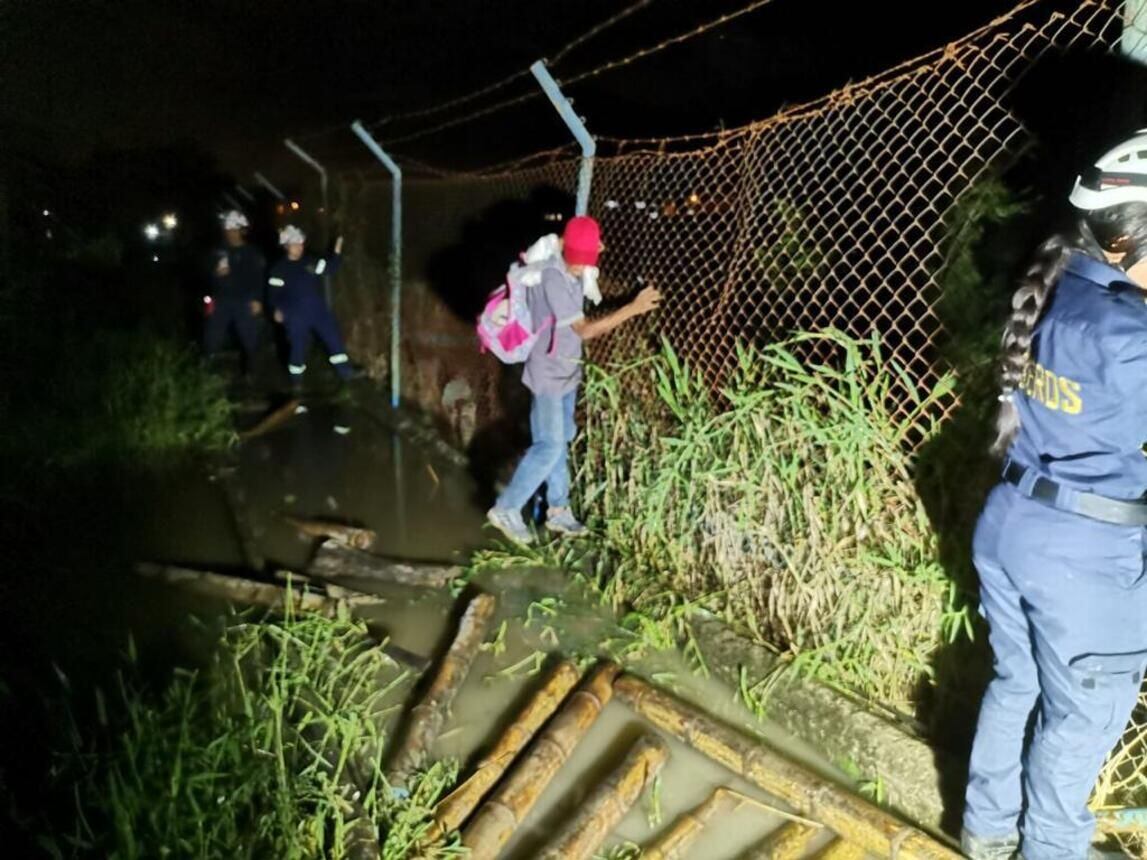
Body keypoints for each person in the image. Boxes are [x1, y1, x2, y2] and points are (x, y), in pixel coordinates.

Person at [962, 131, 1147, 860]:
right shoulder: (1131, 334)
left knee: (1016, 683)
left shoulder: (1056, 286)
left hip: (1011, 523)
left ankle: (986, 832)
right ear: (1127, 238)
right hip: (1082, 558)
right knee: (1080, 722)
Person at [486, 215, 661, 543]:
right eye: (578, 261)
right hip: (548, 373)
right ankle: (506, 508)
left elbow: (580, 246)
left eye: (587, 261)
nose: (582, 268)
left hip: (567, 370)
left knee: (560, 440)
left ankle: (559, 510)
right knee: (549, 445)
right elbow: (585, 330)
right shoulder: (553, 277)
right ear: (566, 251)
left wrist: (590, 247)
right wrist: (633, 308)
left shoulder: (570, 263)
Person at [266, 225, 353, 394]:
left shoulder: (310, 262)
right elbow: (273, 295)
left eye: (301, 244)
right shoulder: (279, 269)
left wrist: (337, 252)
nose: (299, 247)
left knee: (334, 340)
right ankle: (296, 382)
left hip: (318, 312)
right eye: (295, 244)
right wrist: (276, 309)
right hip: (295, 315)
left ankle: (346, 374)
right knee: (298, 347)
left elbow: (331, 268)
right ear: (286, 246)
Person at [205, 210, 265, 373]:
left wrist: (258, 300)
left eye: (234, 230)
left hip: (244, 300)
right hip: (221, 300)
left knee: (249, 337)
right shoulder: (218, 251)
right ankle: (207, 370)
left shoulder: (252, 252)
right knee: (212, 336)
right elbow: (206, 271)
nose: (231, 233)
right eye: (228, 230)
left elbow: (258, 278)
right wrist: (215, 273)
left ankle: (250, 372)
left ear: (242, 230)